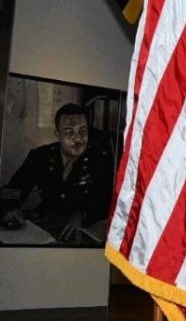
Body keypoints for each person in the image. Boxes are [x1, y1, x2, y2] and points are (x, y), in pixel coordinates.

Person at [2, 102, 113, 244]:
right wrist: (9, 208)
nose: (78, 138)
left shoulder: (99, 160)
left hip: (83, 237)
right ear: (57, 134)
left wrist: (81, 214)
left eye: (83, 131)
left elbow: (105, 200)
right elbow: (16, 188)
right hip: (45, 230)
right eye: (69, 132)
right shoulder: (41, 156)